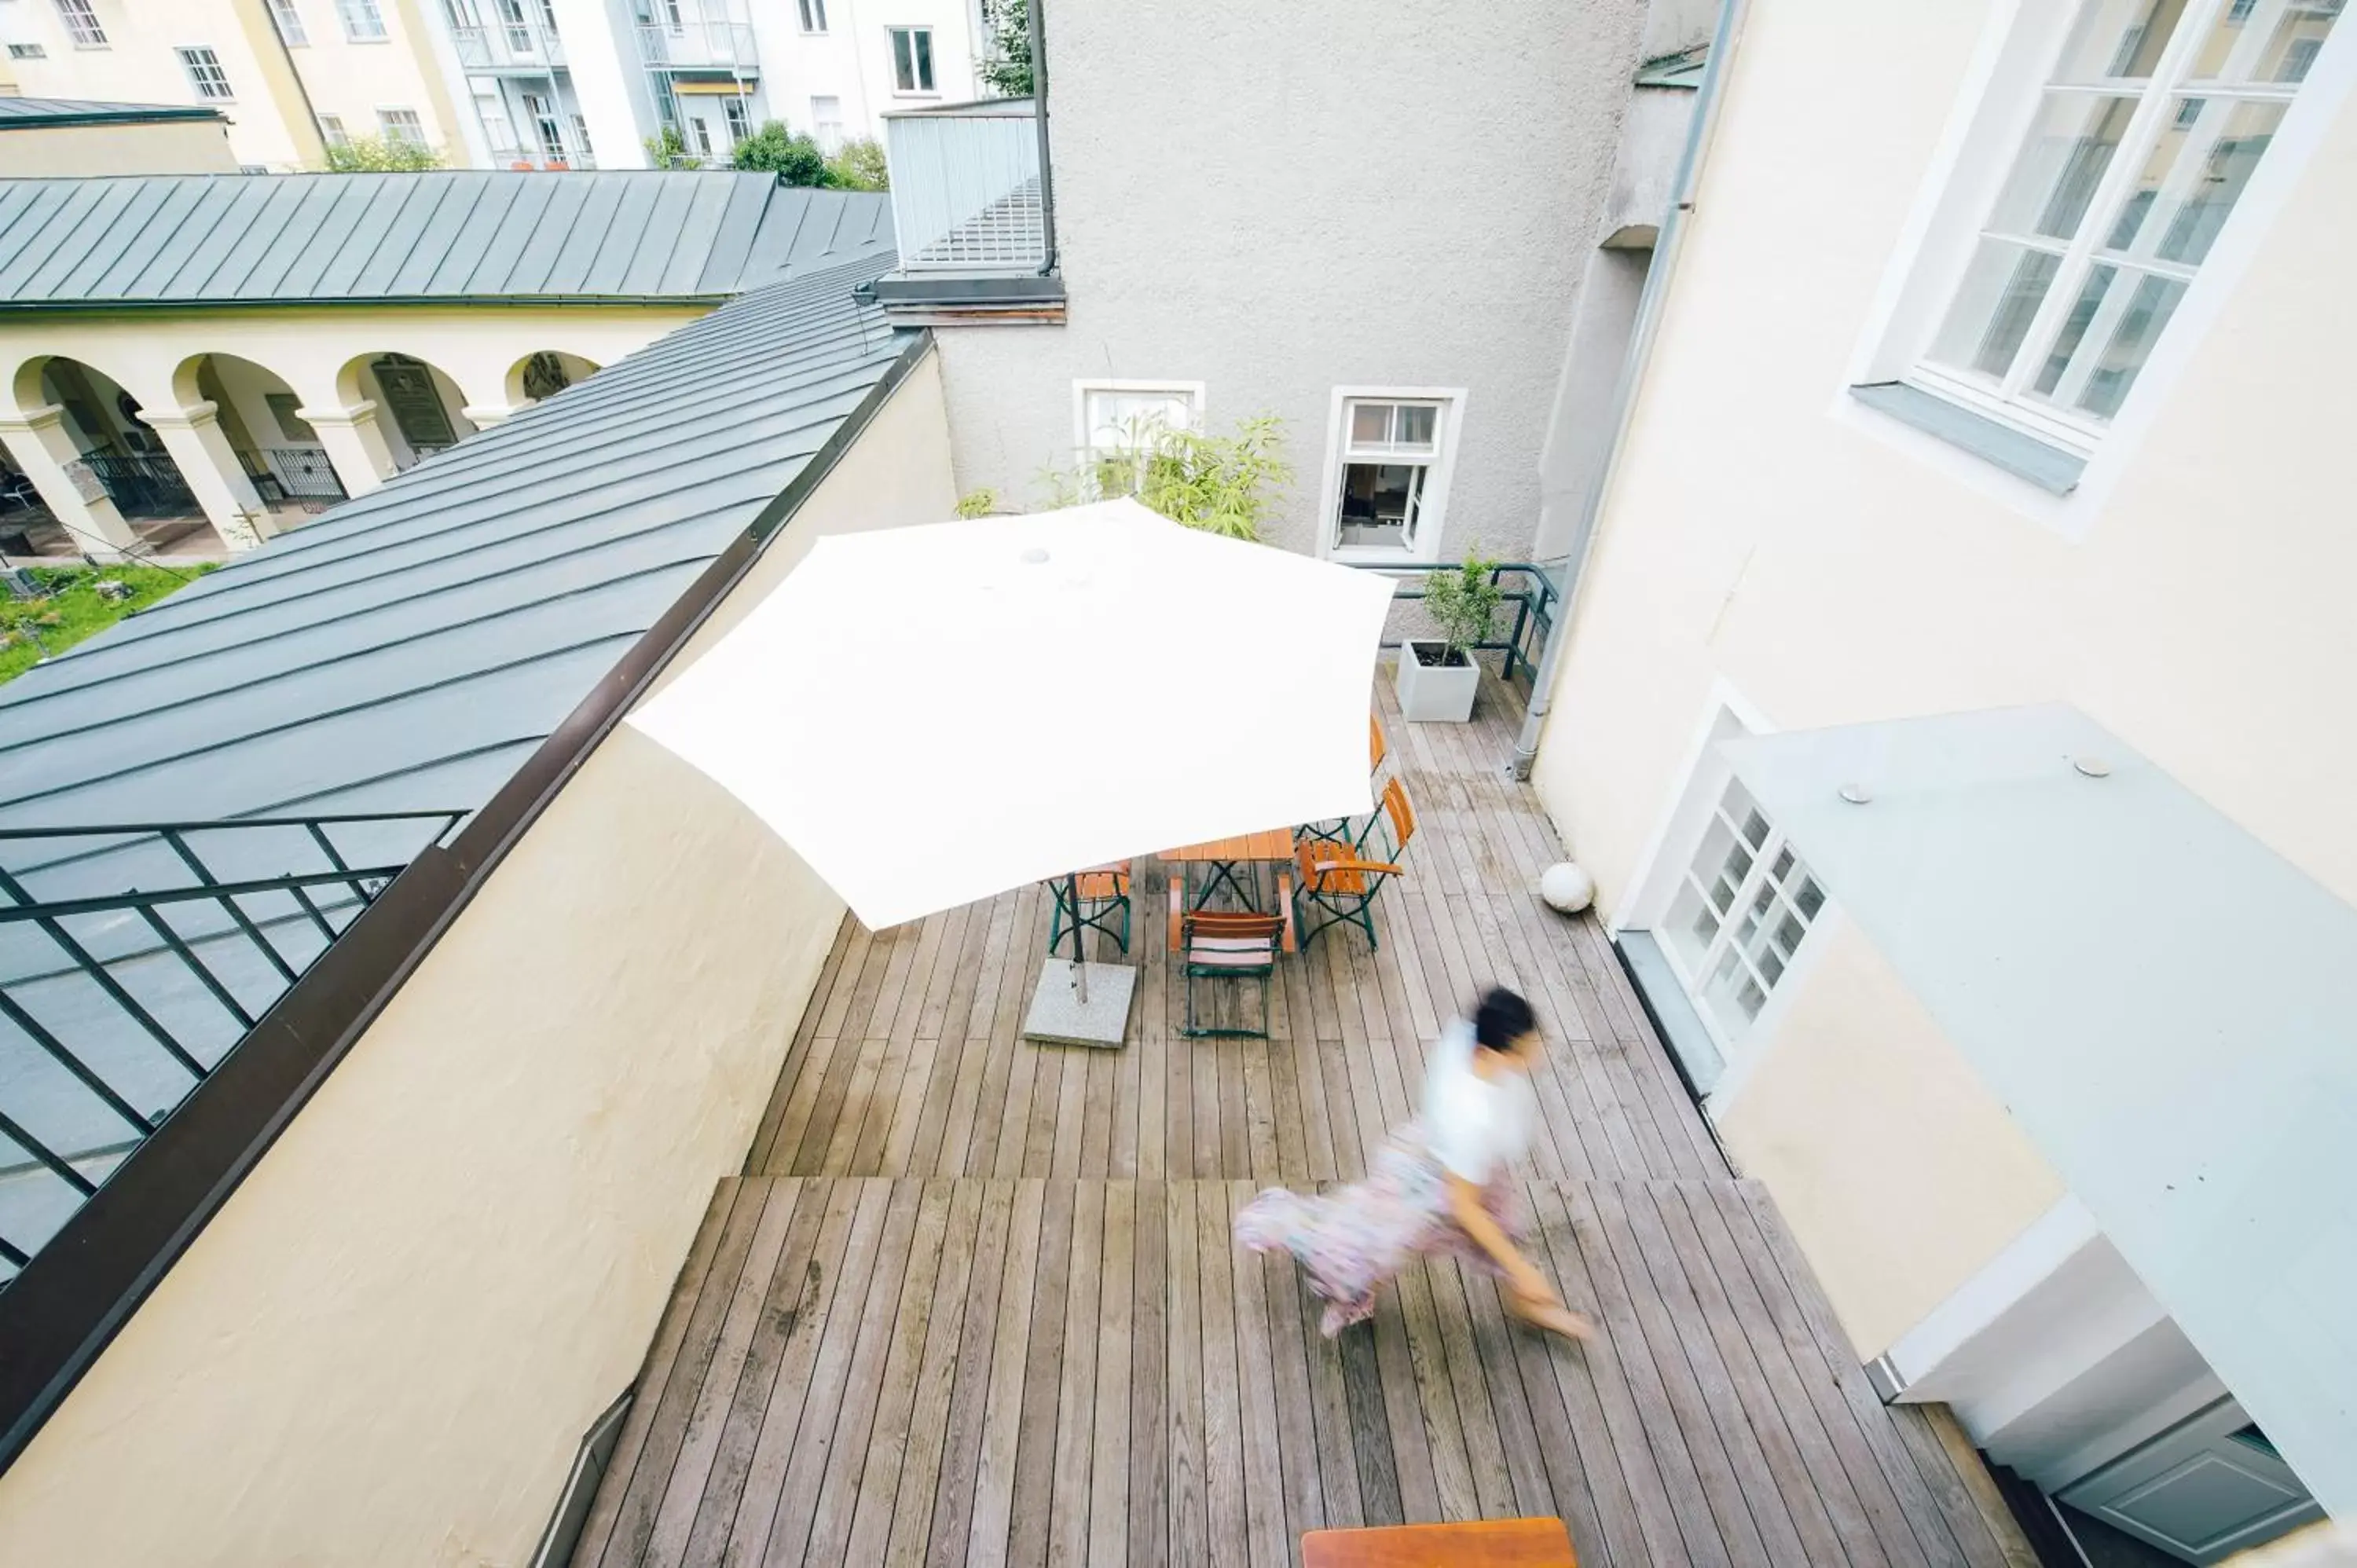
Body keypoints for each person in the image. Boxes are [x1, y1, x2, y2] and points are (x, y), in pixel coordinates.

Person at [1234, 987, 1595, 1340]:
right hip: (1434, 1186)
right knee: (1363, 1251)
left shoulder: (1468, 1038)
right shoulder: (1473, 1114)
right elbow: (1464, 1206)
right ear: (1489, 1052)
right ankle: (1284, 1223)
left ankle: (1532, 1304)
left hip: (1454, 1162)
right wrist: (1523, 1270)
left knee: (1501, 1236)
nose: (1535, 1054)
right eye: (1523, 1050)